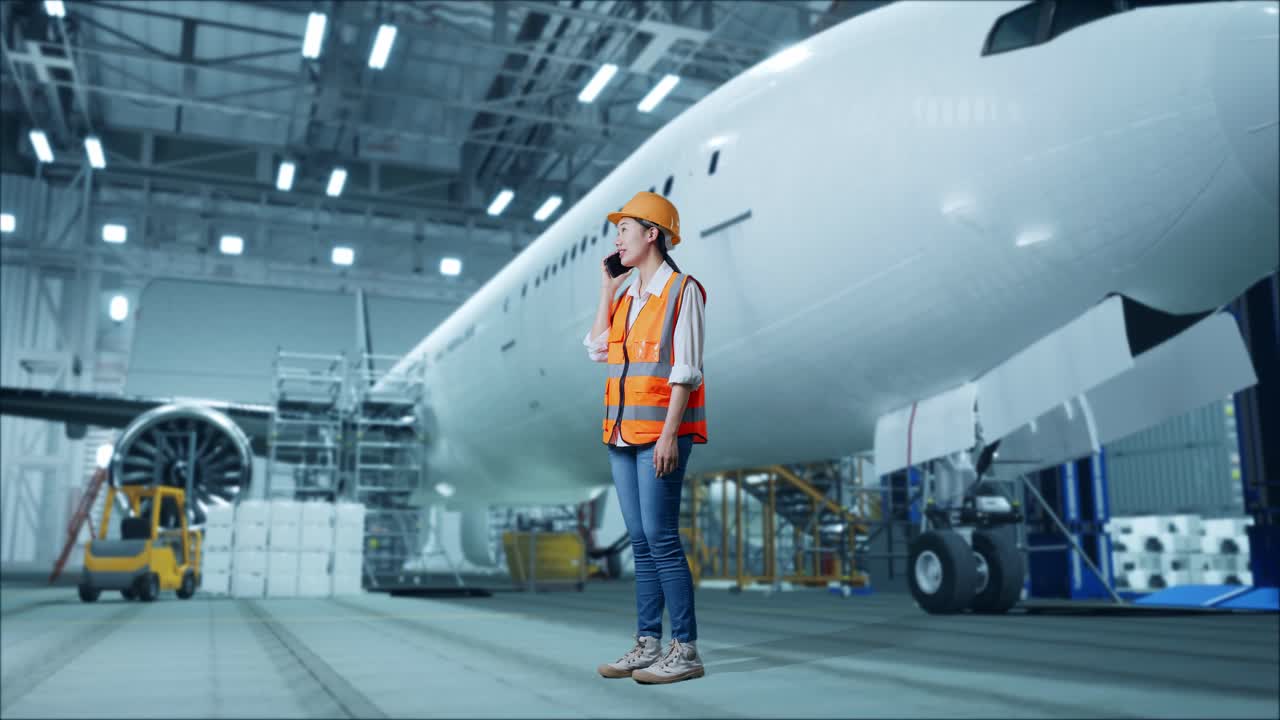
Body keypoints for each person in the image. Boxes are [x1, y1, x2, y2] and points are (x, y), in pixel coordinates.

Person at [584, 191, 708, 685]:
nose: (617, 238)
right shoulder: (627, 297)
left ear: (651, 234)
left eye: (625, 229)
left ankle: (686, 649)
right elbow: (596, 349)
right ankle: (647, 643)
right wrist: (606, 291)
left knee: (661, 540)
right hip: (619, 433)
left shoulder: (682, 291)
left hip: (659, 435)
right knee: (639, 542)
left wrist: (670, 437)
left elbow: (686, 371)